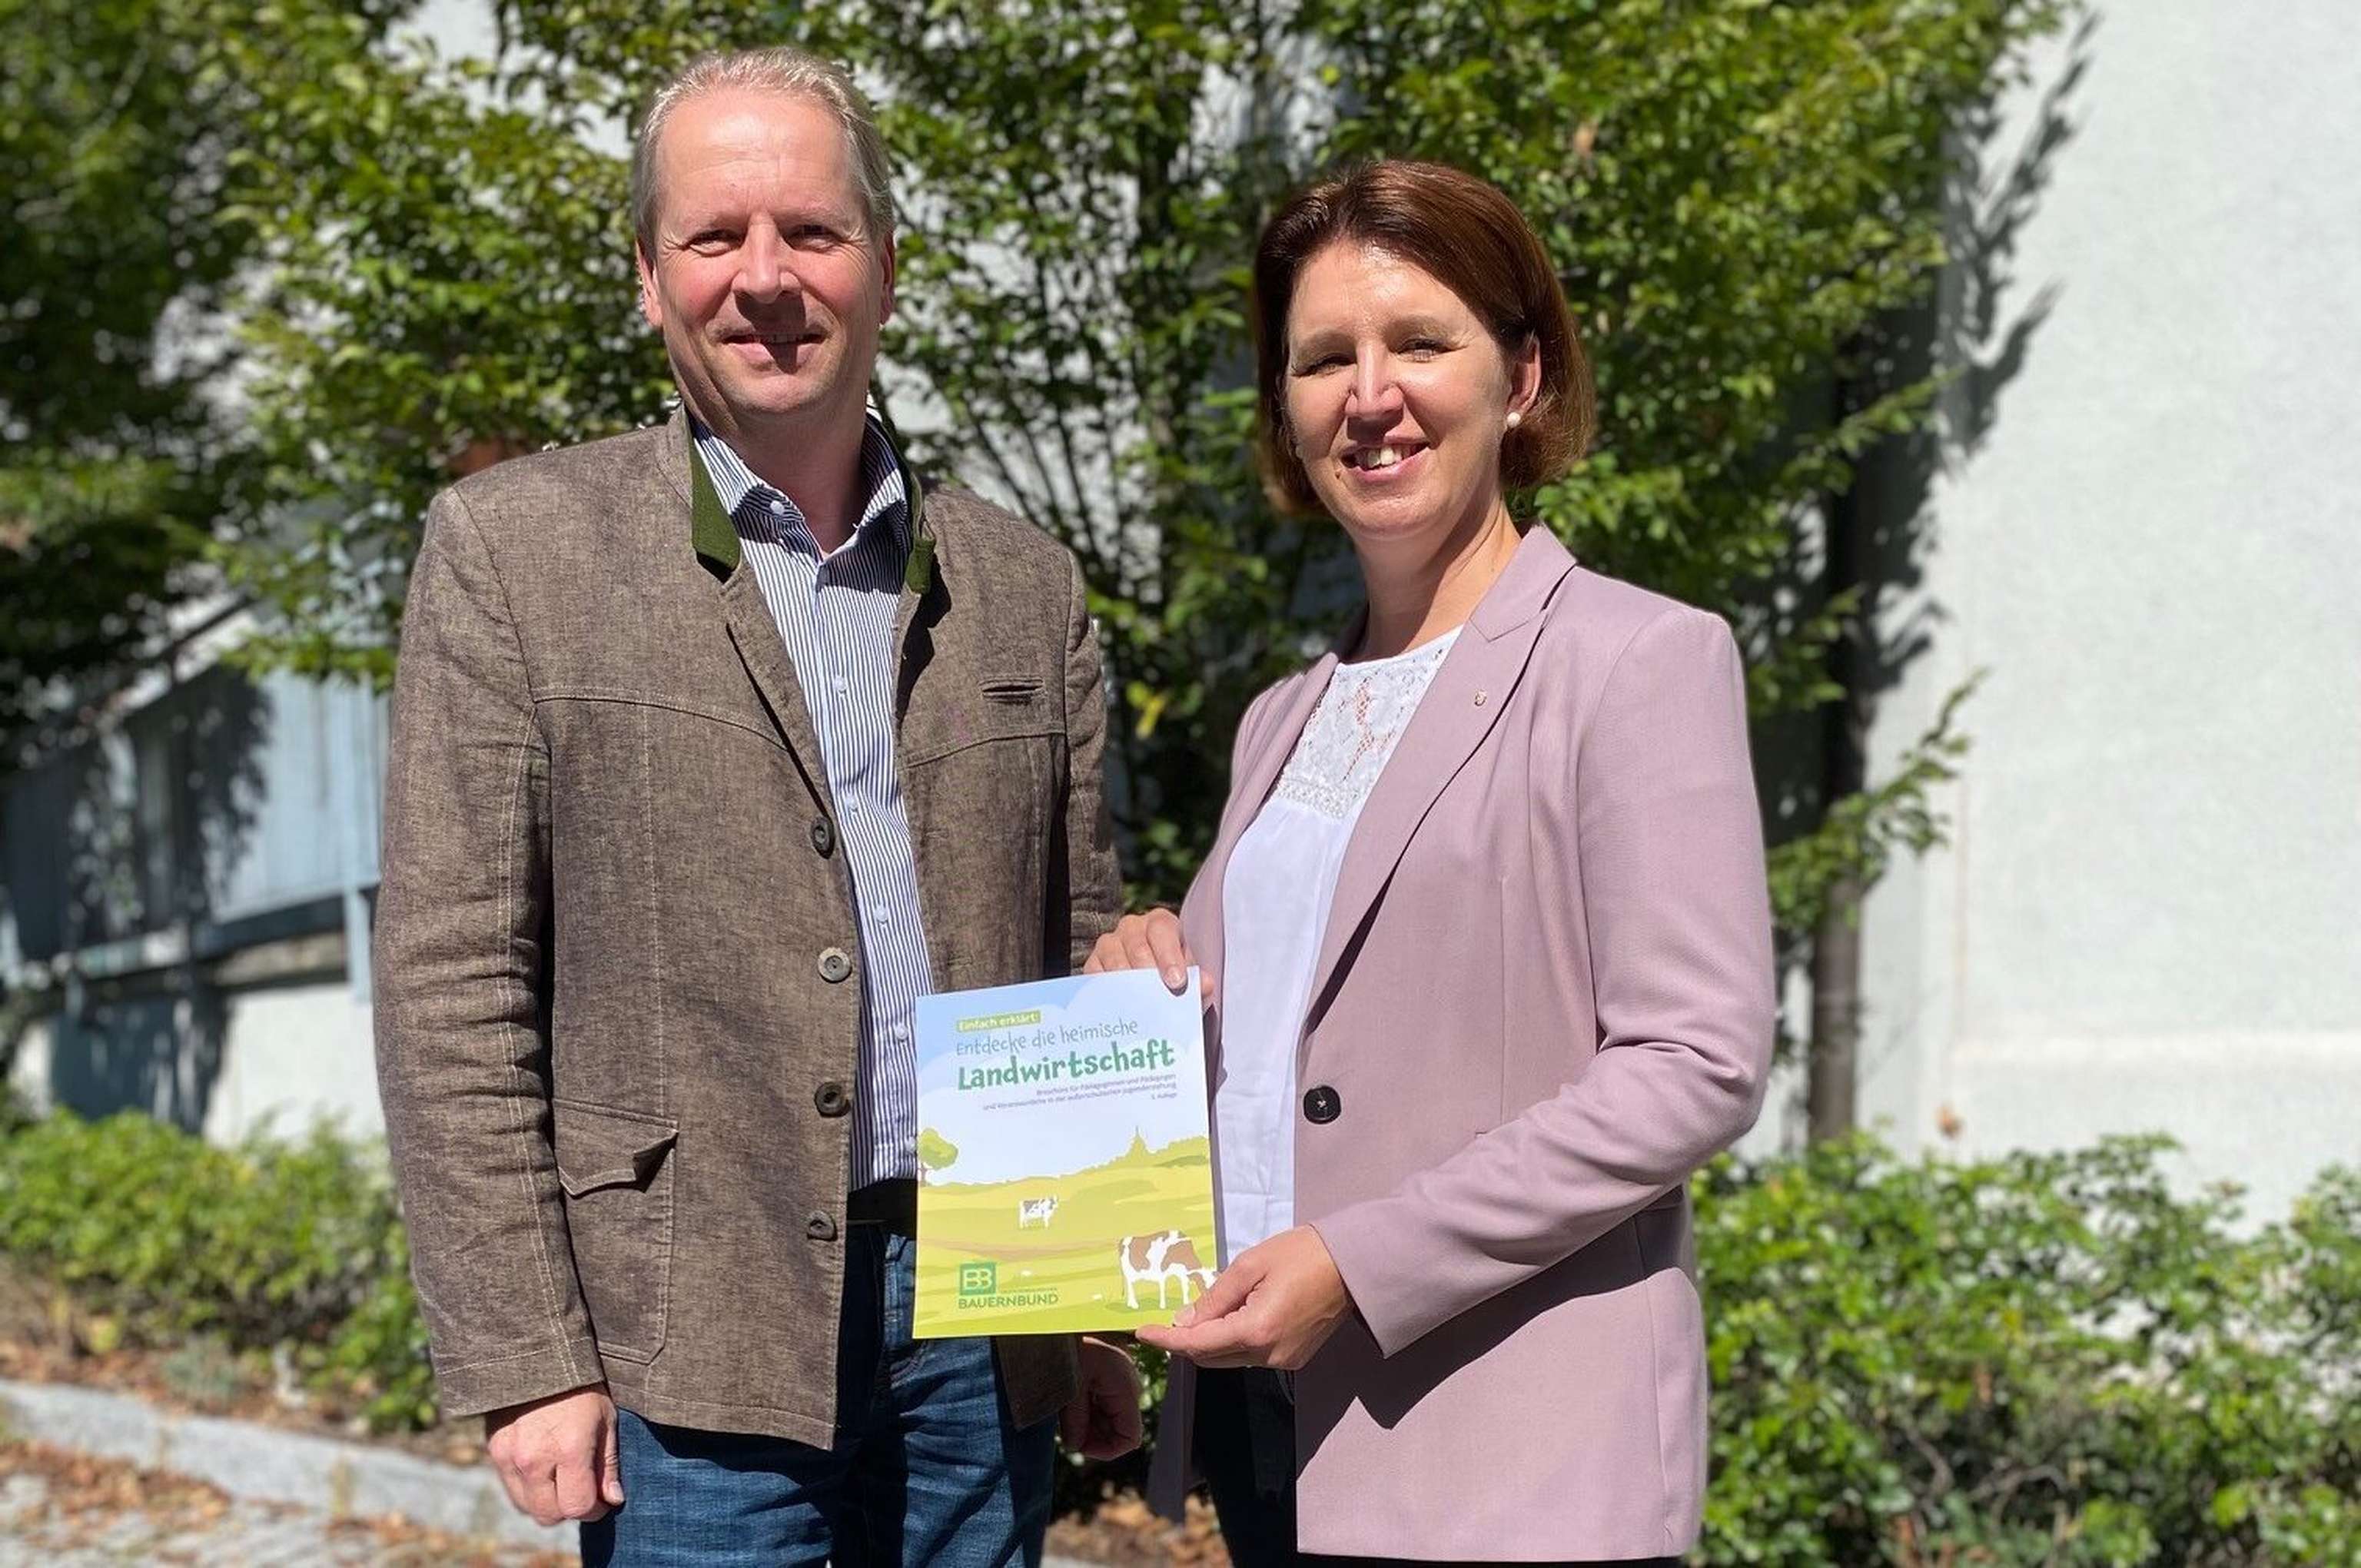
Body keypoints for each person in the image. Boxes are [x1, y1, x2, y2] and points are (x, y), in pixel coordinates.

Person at [373, 46, 1141, 1567]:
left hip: (985, 1321)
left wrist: (1095, 1305)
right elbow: (454, 983)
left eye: (813, 231)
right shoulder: (515, 557)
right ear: (649, 278)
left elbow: (1080, 948)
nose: (766, 278)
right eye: (715, 237)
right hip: (682, 1338)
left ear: (887, 266)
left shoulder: (1025, 583)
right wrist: (529, 1354)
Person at [1087, 161, 1776, 1565]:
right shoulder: (1284, 717)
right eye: (1322, 358)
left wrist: (1361, 1263)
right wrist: (1141, 980)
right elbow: (1289, 1054)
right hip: (1273, 1429)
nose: (1369, 395)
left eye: (1418, 343)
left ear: (1522, 376)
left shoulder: (1637, 661)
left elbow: (1696, 1063)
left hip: (1510, 1451)